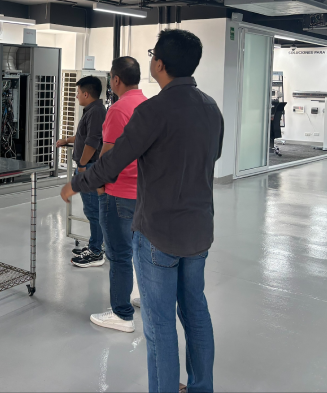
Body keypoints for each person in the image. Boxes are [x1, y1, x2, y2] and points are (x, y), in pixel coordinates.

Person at [61, 29, 223, 393]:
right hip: (199, 230)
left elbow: (112, 162)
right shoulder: (211, 107)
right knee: (196, 313)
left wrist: (77, 182)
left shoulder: (153, 111)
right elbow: (212, 155)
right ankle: (201, 387)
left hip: (158, 233)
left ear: (159, 64)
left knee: (160, 322)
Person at [87, 56, 147, 334]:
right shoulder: (148, 105)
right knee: (141, 251)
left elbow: (108, 155)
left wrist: (100, 187)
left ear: (116, 80)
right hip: (143, 193)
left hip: (119, 193)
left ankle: (122, 314)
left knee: (120, 255)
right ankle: (143, 297)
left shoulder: (118, 109)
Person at [56, 76, 107, 267]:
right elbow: (82, 136)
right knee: (91, 209)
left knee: (94, 210)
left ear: (86, 94)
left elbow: (93, 141)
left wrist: (82, 165)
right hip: (88, 167)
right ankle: (95, 245)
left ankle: (96, 252)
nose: (76, 96)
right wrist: (66, 140)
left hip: (90, 167)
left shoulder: (96, 112)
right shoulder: (92, 111)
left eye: (78, 93)